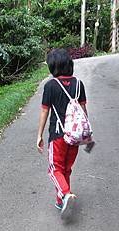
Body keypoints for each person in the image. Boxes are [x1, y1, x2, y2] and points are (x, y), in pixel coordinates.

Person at [37, 48, 90, 219]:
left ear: (53, 66)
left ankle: (66, 193)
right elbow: (83, 110)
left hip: (58, 135)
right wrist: (86, 135)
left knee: (54, 169)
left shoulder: (50, 86)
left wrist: (39, 135)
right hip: (74, 136)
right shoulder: (79, 84)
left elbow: (45, 112)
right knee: (65, 169)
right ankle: (60, 200)